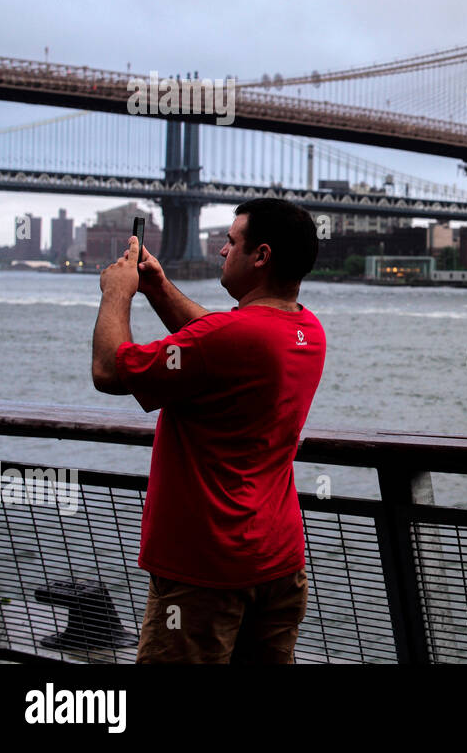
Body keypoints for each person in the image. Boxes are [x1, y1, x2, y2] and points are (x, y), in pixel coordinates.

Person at [90, 198, 326, 663]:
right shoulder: (306, 329)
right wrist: (157, 287)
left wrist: (117, 292)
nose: (221, 251)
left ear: (260, 255)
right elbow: (216, 339)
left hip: (203, 573)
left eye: (231, 241)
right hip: (278, 564)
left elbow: (109, 372)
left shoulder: (225, 339)